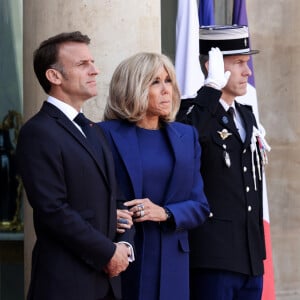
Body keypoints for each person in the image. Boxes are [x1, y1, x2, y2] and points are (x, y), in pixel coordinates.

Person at [16, 31, 134, 300]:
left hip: (107, 284)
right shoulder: (38, 132)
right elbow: (52, 210)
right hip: (65, 284)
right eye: (83, 64)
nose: (95, 70)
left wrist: (124, 245)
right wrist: (107, 252)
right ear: (54, 76)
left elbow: (115, 199)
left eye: (92, 62)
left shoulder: (94, 130)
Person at [98, 52, 210, 300]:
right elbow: (92, 195)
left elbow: (200, 206)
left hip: (174, 262)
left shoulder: (186, 136)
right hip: (124, 257)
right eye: (155, 82)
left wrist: (165, 213)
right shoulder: (104, 135)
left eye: (168, 80)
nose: (166, 90)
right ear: (133, 88)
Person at [176, 25, 270, 300]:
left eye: (247, 62)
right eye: (238, 63)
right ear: (211, 66)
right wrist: (211, 90)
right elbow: (183, 140)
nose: (247, 71)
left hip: (250, 257)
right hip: (214, 257)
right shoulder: (194, 112)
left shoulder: (246, 114)